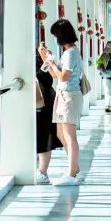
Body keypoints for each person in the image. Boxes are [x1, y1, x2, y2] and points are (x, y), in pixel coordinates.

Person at [38, 19, 83, 186]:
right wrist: (47, 59)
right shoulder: (67, 52)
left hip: (69, 96)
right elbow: (54, 74)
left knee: (70, 136)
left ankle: (71, 173)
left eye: (55, 35)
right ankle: (74, 168)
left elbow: (63, 77)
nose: (55, 39)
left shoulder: (71, 53)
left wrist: (51, 62)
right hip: (63, 95)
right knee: (60, 134)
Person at [34, 53, 63, 184]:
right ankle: (42, 171)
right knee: (44, 137)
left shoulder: (41, 61)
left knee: (43, 137)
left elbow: (52, 75)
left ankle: (42, 171)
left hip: (43, 103)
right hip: (46, 101)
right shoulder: (43, 60)